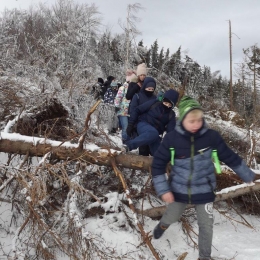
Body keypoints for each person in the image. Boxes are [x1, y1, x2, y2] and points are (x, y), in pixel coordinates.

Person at [151, 96, 256, 260]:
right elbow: (157, 165)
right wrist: (163, 189)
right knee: (173, 215)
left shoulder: (211, 137)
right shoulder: (172, 138)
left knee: (206, 225)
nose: (196, 125)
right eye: (191, 121)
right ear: (182, 119)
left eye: (199, 120)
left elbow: (230, 156)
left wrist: (246, 174)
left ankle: (204, 257)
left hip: (205, 188)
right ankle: (163, 225)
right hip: (179, 188)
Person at [123, 89, 179, 156]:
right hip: (143, 125)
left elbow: (171, 131)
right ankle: (128, 146)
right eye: (166, 103)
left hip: (155, 134)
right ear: (163, 100)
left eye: (170, 105)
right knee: (153, 133)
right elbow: (137, 110)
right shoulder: (154, 104)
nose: (167, 106)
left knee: (160, 155)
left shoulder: (171, 114)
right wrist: (131, 124)